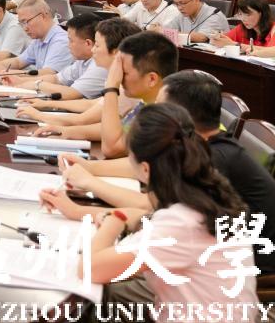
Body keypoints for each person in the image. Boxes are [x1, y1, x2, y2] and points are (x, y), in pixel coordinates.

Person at [39, 104, 257, 323]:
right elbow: (143, 216)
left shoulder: (181, 222)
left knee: (87, 309)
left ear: (145, 169)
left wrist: (112, 222)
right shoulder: (202, 191)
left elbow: (89, 269)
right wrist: (78, 211)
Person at [57, 70, 275, 275]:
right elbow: (152, 202)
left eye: (160, 108)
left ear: (178, 117)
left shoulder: (212, 158)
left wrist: (91, 183)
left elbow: (152, 206)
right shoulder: (198, 145)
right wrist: (88, 175)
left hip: (242, 262)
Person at [41, 30, 177, 158]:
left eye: (125, 72)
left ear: (151, 79)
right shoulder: (144, 103)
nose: (120, 77)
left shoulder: (164, 115)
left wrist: (112, 87)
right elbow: (116, 131)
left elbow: (112, 148)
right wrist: (66, 132)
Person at [17, 17, 142, 124]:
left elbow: (83, 120)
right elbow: (93, 104)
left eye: (97, 45)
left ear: (115, 53)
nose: (93, 50)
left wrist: (39, 115)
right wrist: (46, 104)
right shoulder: (121, 79)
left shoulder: (129, 87)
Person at [4, 13, 105, 100]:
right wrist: (20, 81)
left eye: (71, 40)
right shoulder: (82, 60)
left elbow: (72, 93)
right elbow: (56, 79)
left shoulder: (99, 65)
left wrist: (37, 85)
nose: (68, 45)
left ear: (88, 43)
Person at [0, 0, 73, 76]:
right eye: (21, 23)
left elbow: (47, 74)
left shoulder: (61, 41)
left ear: (42, 16)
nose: (25, 28)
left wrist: (6, 72)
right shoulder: (39, 39)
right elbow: (19, 62)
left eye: (26, 22)